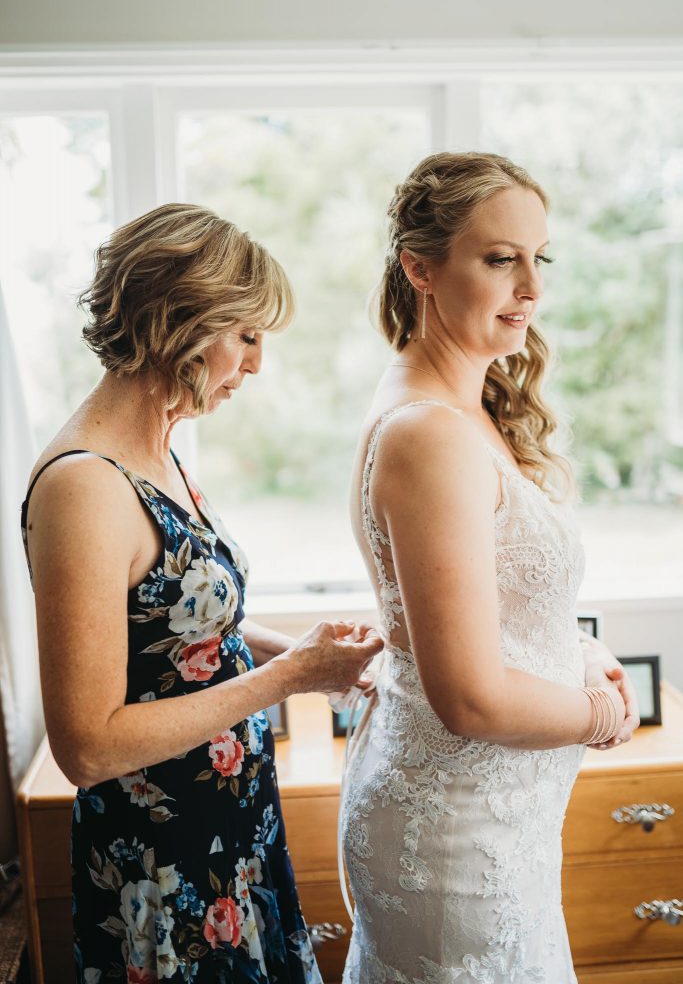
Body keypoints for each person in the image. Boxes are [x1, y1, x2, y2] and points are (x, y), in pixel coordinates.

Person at [20, 203, 383, 984]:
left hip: (230, 832)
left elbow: (185, 638)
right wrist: (288, 679)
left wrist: (318, 658)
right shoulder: (84, 484)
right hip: (163, 861)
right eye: (246, 336)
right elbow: (87, 745)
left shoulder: (159, 454)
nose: (255, 365)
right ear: (180, 320)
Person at [340, 153, 640, 983]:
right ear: (419, 268)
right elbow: (468, 694)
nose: (531, 289)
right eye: (499, 259)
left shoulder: (461, 406)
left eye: (539, 259)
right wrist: (597, 715)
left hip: (499, 822)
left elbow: (496, 603)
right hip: (457, 840)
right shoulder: (428, 432)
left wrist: (574, 649)